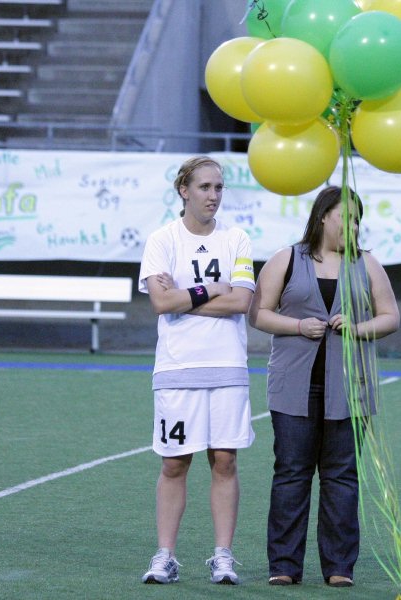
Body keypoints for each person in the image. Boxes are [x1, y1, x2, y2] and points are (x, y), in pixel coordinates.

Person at [248, 185, 399, 588]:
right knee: (291, 474)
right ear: (322, 217)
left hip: (351, 390)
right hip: (293, 388)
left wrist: (358, 328)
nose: (352, 225)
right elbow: (258, 313)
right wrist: (297, 325)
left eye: (357, 219)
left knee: (342, 477)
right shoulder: (287, 258)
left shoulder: (367, 264)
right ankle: (283, 564)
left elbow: (390, 317)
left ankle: (339, 566)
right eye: (345, 217)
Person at [137, 156, 256, 585]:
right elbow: (161, 303)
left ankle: (223, 556)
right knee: (174, 463)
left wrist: (187, 295)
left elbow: (242, 302)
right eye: (205, 187)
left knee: (224, 460)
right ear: (184, 190)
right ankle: (165, 556)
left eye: (219, 188)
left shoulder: (237, 239)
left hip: (226, 367)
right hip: (177, 368)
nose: (213, 196)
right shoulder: (162, 240)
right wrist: (211, 289)